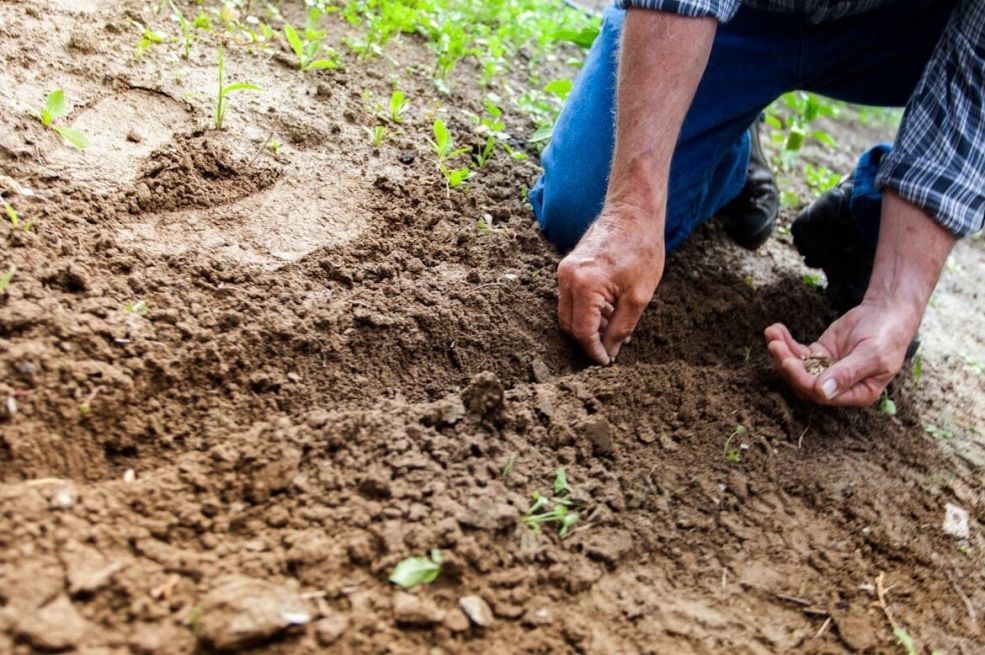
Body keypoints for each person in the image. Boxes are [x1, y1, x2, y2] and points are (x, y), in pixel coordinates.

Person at [529, 0, 983, 407]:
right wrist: (632, 209)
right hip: (743, 14)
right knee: (582, 212)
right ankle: (730, 147)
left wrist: (895, 301)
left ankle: (869, 220)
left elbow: (973, 86)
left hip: (904, 30)